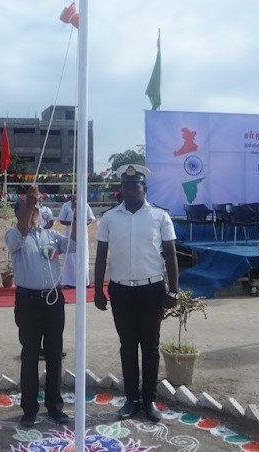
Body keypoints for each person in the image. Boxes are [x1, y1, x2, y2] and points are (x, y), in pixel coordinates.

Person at [94, 164, 180, 422]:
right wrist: (98, 289)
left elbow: (171, 255)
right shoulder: (109, 218)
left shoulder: (160, 216)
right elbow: (100, 257)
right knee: (127, 346)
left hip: (152, 290)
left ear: (145, 188)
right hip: (121, 291)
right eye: (127, 186)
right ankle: (131, 399)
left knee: (151, 347)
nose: (131, 190)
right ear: (121, 190)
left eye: (136, 186)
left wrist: (173, 291)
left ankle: (149, 400)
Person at [7, 185, 75, 427]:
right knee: (30, 355)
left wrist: (76, 213)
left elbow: (75, 244)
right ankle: (29, 409)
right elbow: (22, 230)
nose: (34, 211)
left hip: (53, 300)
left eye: (36, 208)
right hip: (28, 302)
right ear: (20, 213)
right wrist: (29, 204)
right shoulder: (14, 235)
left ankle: (55, 406)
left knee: (55, 354)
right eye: (27, 209)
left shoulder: (51, 236)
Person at [57, 194, 95, 288]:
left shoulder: (85, 204)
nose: (75, 199)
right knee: (70, 257)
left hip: (82, 234)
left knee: (83, 257)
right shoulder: (66, 206)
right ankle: (70, 282)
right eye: (74, 197)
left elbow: (91, 218)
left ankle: (84, 281)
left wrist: (82, 223)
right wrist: (73, 221)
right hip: (70, 233)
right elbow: (61, 220)